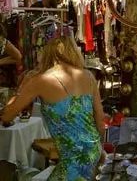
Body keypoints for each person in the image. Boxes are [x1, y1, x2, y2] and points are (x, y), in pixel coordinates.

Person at [1, 35, 105, 180]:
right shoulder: (88, 76)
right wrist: (99, 150)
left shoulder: (40, 80)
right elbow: (100, 121)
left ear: (48, 54)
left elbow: (7, 115)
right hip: (92, 149)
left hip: (73, 157)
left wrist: (22, 88)